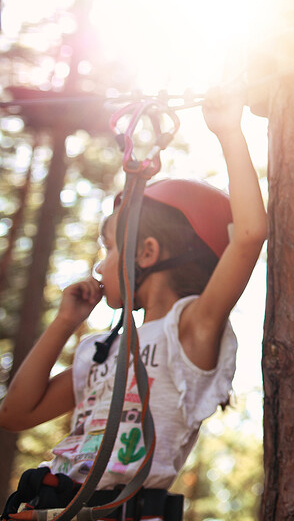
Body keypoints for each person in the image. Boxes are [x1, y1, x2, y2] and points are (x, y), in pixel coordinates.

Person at [0, 86, 267, 521]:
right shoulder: (102, 351)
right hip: (50, 503)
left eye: (108, 249)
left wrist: (228, 133)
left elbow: (251, 235)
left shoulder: (190, 331)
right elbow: (14, 413)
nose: (101, 267)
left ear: (145, 253)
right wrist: (65, 322)